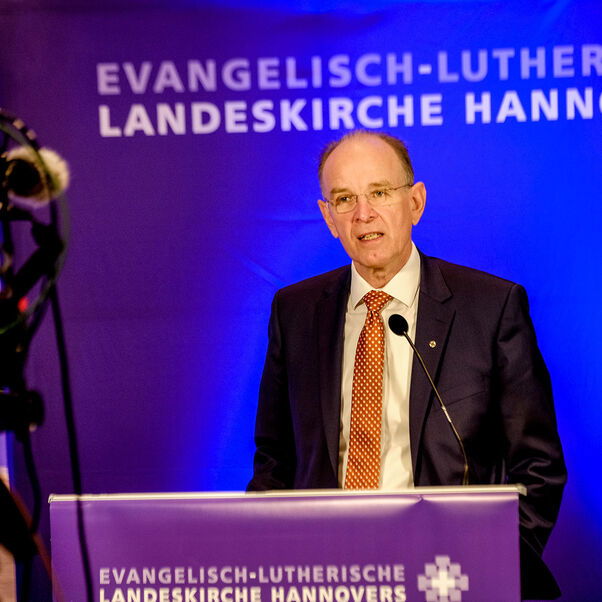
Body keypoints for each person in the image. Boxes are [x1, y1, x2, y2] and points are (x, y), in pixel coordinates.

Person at [248, 130, 566, 600]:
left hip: (449, 575)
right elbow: (274, 459)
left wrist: (493, 563)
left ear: (415, 202)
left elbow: (538, 466)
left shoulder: (490, 308)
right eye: (344, 199)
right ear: (328, 218)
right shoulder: (295, 311)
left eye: (379, 192)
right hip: (326, 575)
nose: (363, 214)